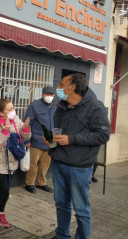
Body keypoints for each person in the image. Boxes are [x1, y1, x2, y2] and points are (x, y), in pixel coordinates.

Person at [44, 73, 110, 239]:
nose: (58, 88)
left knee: (81, 208)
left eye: (61, 85)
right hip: (59, 162)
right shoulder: (61, 106)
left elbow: (103, 135)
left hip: (80, 167)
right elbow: (59, 133)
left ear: (72, 87)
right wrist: (51, 140)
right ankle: (62, 235)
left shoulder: (95, 106)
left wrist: (71, 139)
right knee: (61, 204)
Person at [0, 99, 31, 228]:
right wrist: (5, 131)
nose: (13, 111)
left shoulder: (15, 119)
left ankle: (1, 212)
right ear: (1, 113)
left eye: (13, 108)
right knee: (3, 188)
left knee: (7, 190)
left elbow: (24, 138)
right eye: (10, 109)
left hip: (12, 160)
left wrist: (25, 129)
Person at [23, 86, 57, 194]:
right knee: (33, 164)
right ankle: (29, 183)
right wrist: (27, 140)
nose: (49, 96)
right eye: (47, 94)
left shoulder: (56, 107)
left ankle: (41, 183)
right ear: (42, 94)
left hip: (50, 141)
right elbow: (28, 123)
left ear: (54, 96)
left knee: (45, 164)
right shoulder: (34, 106)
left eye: (51, 95)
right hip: (36, 139)